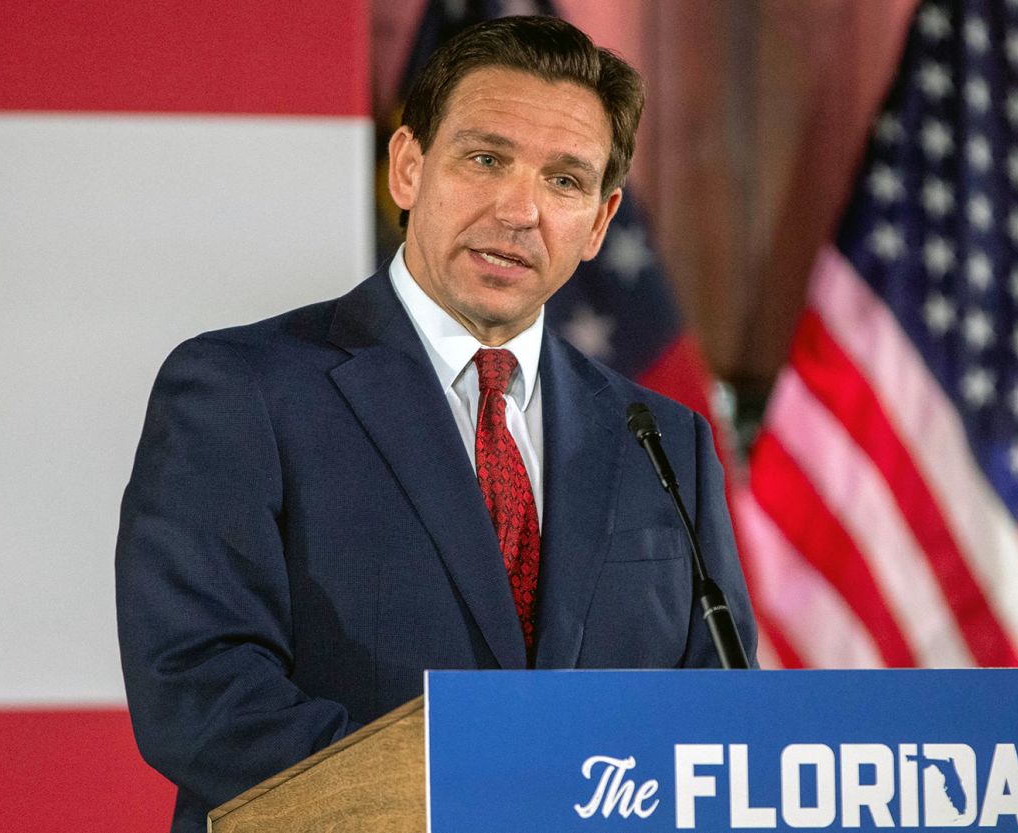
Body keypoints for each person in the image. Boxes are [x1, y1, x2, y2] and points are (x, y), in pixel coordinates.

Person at [116, 15, 756, 832]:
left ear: (599, 222)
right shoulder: (241, 391)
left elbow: (715, 719)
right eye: (486, 159)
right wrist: (472, 800)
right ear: (409, 167)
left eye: (565, 181)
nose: (520, 209)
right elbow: (197, 688)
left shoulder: (665, 441)